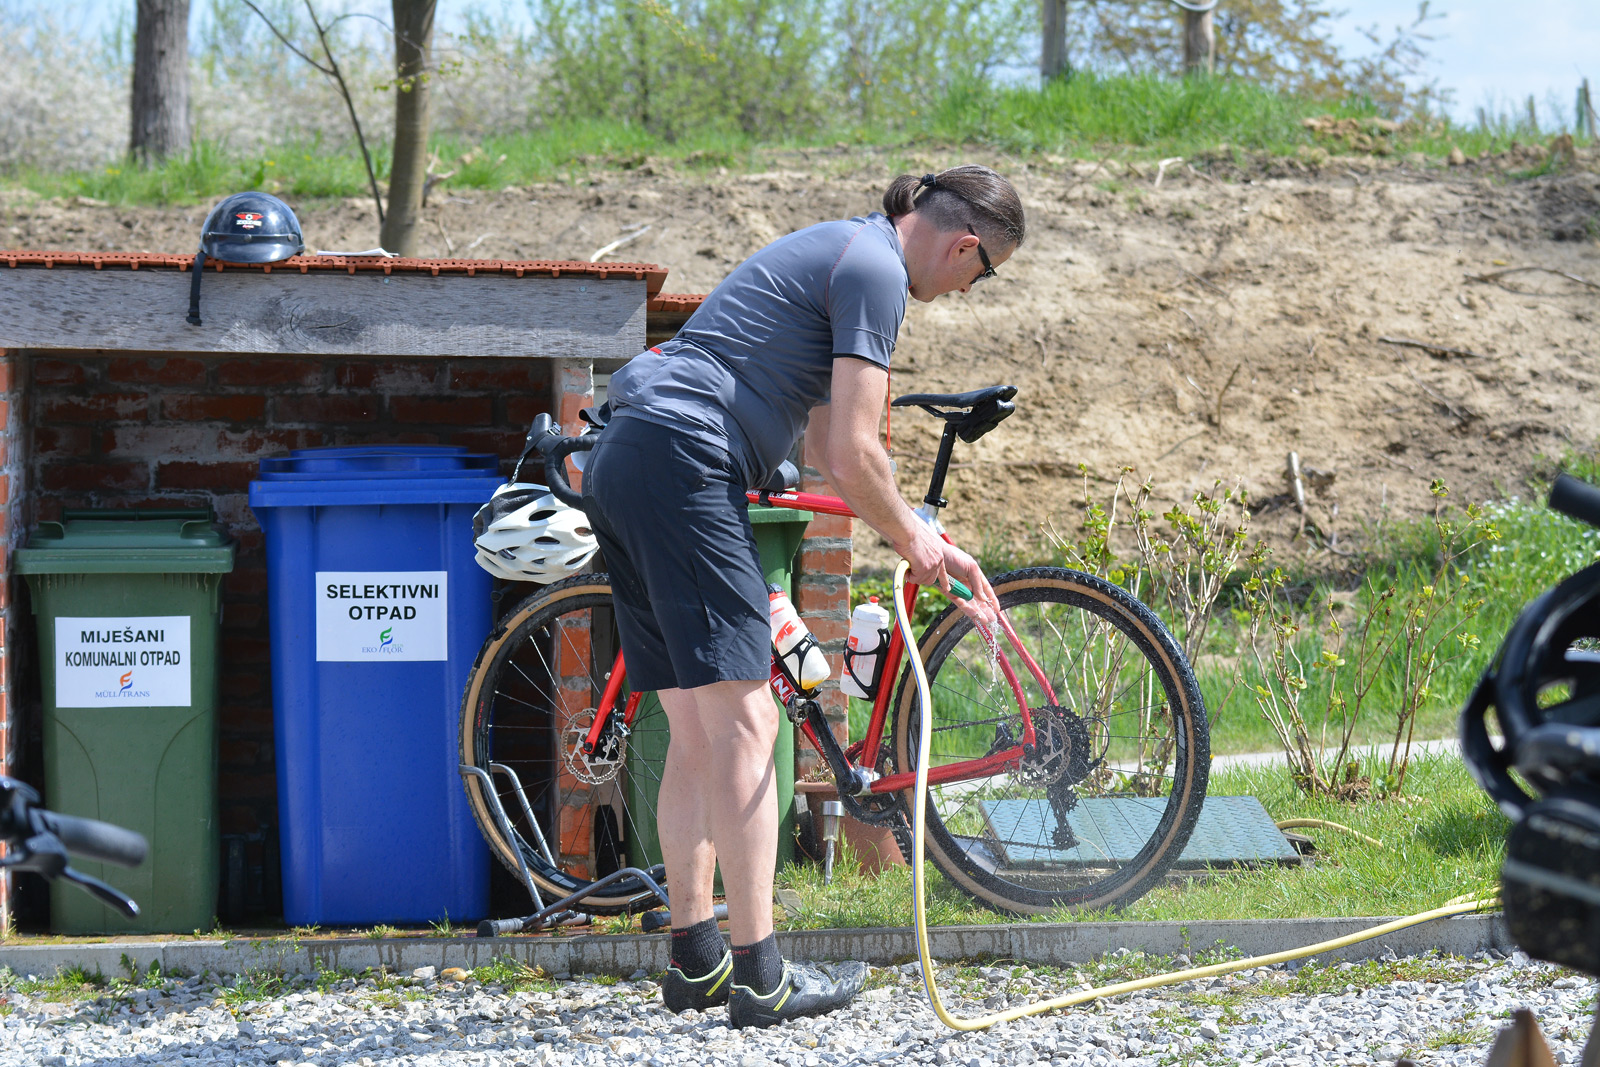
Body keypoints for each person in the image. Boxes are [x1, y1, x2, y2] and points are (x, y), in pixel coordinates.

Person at [582, 165, 1026, 1029]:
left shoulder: (846, 249)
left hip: (630, 449)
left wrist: (921, 535)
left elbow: (828, 443)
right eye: (984, 272)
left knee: (700, 725)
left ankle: (697, 957)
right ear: (967, 244)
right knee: (751, 722)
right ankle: (762, 977)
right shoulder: (878, 273)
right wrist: (916, 538)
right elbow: (857, 454)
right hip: (683, 456)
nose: (970, 288)